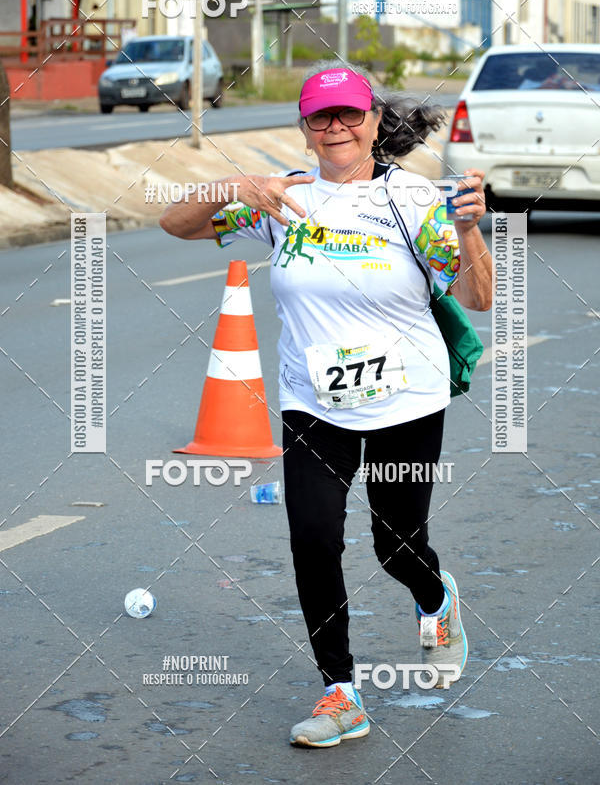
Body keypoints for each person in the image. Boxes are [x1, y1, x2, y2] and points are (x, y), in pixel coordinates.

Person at [159, 61, 493, 748]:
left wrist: (468, 231)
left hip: (408, 399)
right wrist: (237, 185)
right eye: (321, 117)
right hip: (313, 403)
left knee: (396, 547)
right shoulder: (285, 197)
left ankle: (437, 598)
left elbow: (479, 298)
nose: (336, 127)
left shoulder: (417, 199)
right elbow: (175, 224)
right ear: (305, 129)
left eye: (349, 114)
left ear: (373, 122)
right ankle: (340, 692)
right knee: (312, 538)